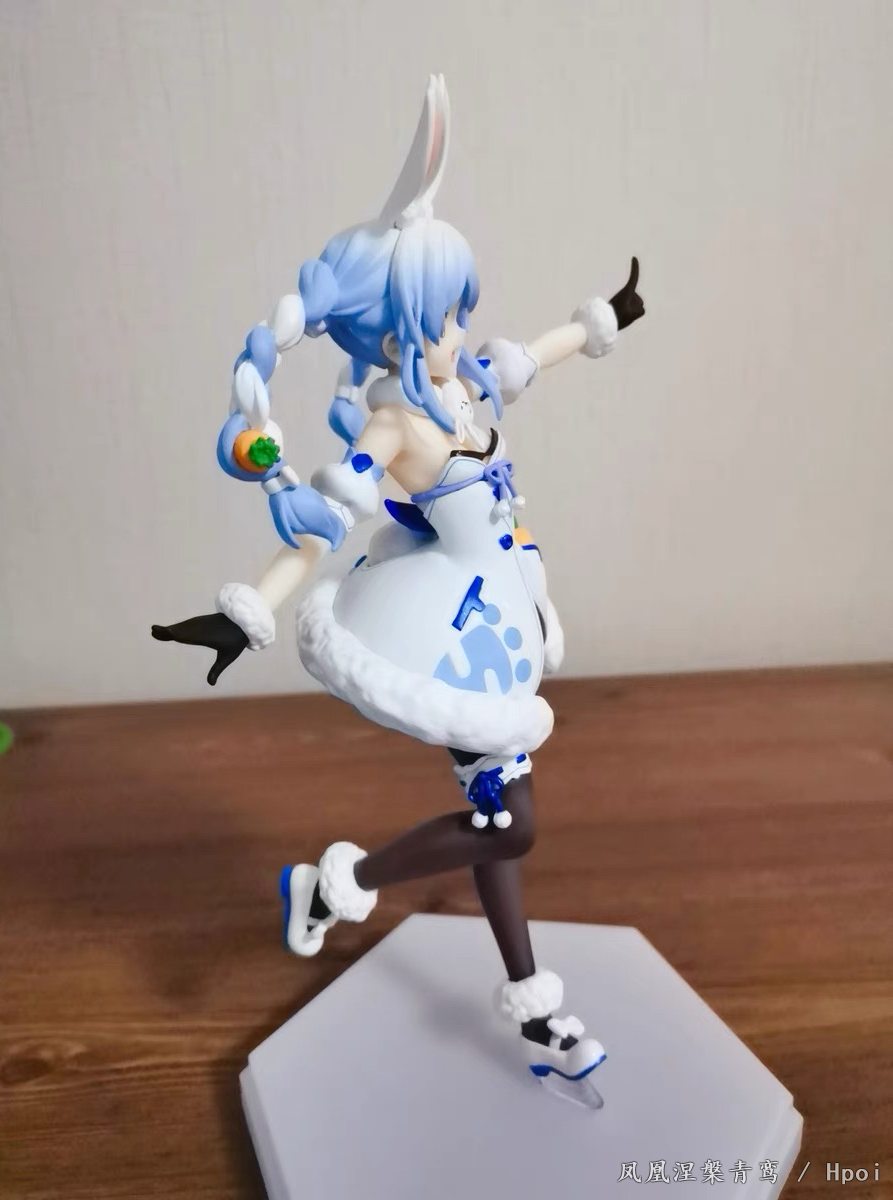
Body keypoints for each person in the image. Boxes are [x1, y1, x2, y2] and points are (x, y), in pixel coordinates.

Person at [153, 75, 644, 1090]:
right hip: (457, 634)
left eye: (463, 307)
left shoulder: (461, 387)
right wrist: (250, 610)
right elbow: (325, 522)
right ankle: (344, 882)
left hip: (511, 606)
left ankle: (530, 1009)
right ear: (391, 332)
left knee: (500, 831)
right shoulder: (394, 425)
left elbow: (535, 356)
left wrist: (608, 316)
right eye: (443, 312)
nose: (461, 326)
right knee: (510, 822)